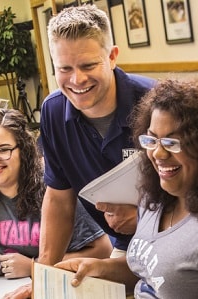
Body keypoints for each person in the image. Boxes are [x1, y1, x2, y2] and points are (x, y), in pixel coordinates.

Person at [56, 78, 198, 298]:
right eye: (152, 140)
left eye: (171, 143)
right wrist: (99, 268)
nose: (158, 153)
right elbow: (154, 274)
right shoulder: (154, 199)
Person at [37, 4, 155, 268]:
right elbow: (59, 199)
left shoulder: (156, 103)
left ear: (112, 57)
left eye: (88, 65)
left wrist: (147, 217)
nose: (77, 79)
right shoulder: (53, 111)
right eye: (64, 69)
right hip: (126, 247)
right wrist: (42, 277)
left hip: (175, 238)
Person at [0, 108, 112, 297]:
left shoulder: (54, 190)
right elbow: (4, 246)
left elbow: (104, 250)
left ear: (22, 150)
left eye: (3, 150)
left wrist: (33, 265)